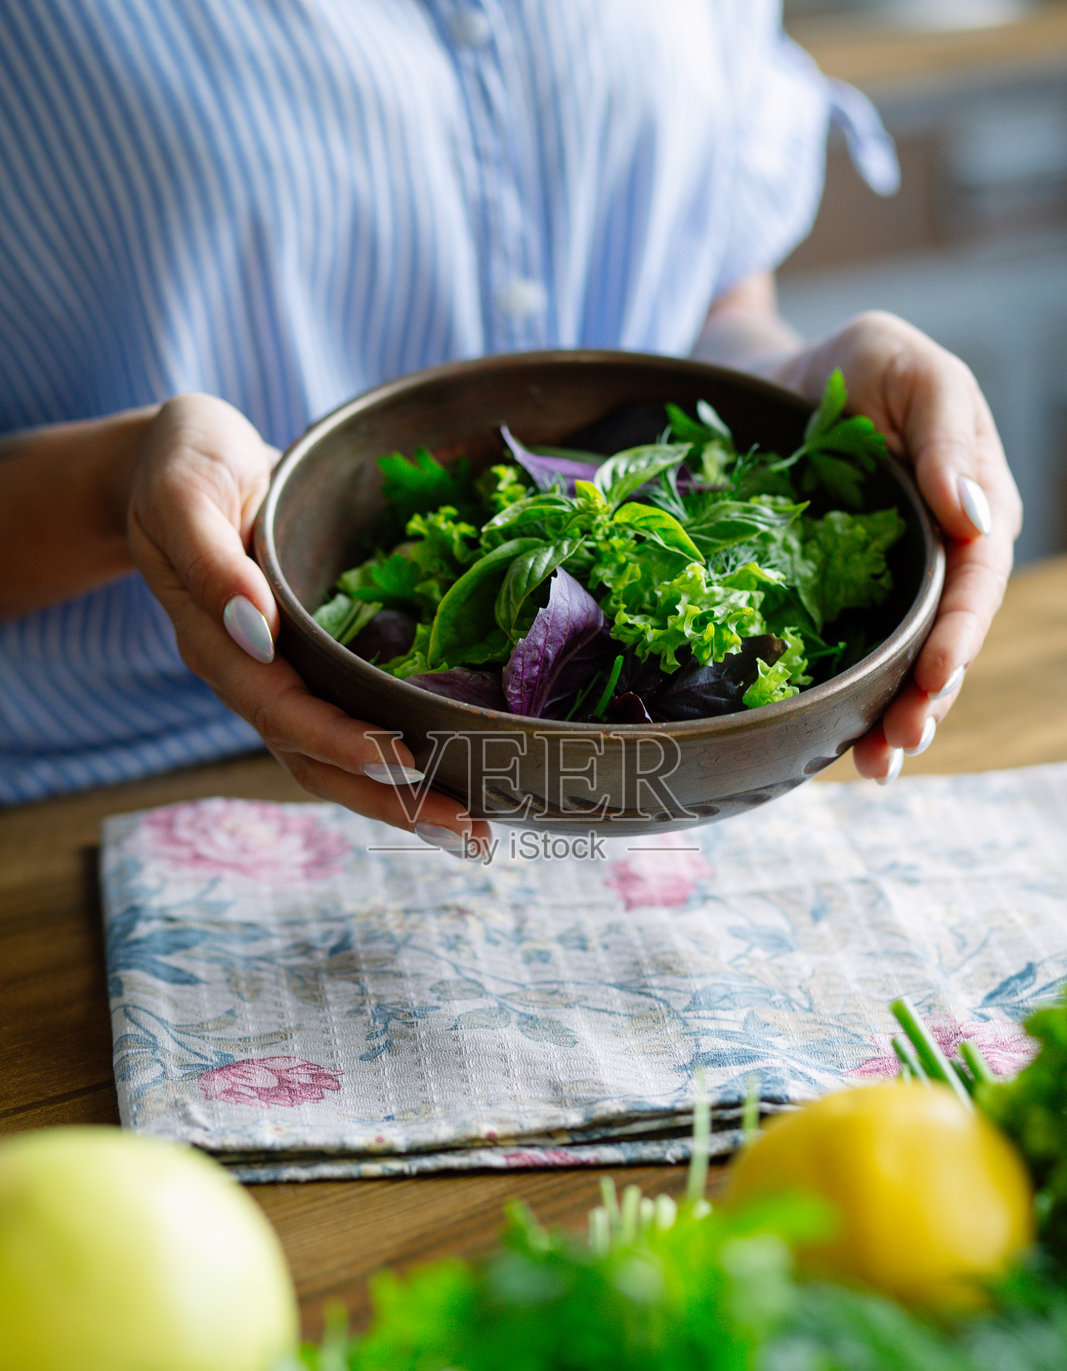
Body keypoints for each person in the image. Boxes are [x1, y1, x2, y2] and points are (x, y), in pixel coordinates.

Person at [0, 2, 1020, 856]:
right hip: (109, 818)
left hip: (668, 798)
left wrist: (792, 387)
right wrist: (115, 484)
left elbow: (706, 288)